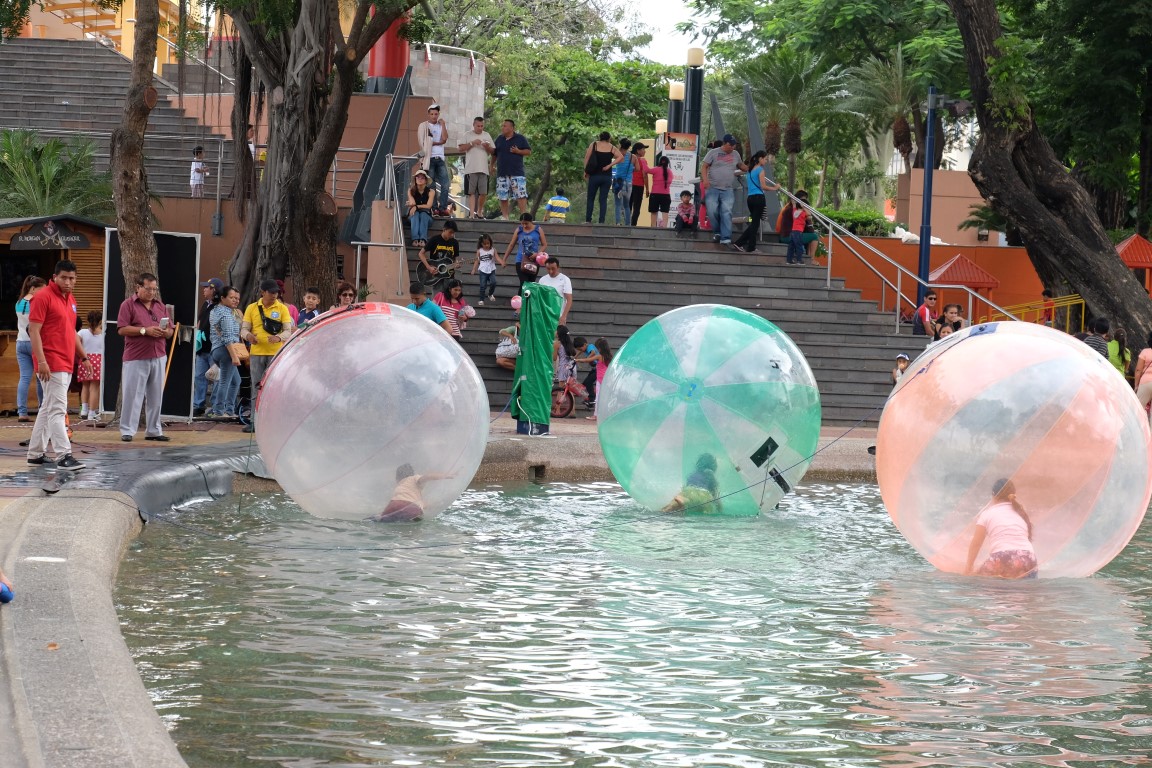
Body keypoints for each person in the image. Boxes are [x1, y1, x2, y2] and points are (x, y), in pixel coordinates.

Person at [26, 260, 88, 470]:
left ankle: (35, 454)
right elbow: (33, 330)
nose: (68, 282)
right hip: (51, 361)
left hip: (66, 360)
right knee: (57, 410)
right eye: (64, 278)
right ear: (54, 277)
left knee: (48, 408)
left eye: (72, 278)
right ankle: (63, 455)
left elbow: (71, 332)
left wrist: (84, 357)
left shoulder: (71, 299)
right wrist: (42, 361)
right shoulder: (42, 297)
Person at [117, 272, 175, 442]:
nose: (151, 293)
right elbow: (121, 329)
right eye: (148, 289)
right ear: (138, 287)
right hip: (136, 356)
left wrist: (165, 332)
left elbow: (170, 331)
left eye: (154, 289)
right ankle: (127, 430)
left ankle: (154, 430)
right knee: (132, 394)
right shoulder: (128, 305)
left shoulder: (160, 306)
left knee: (156, 395)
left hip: (159, 355)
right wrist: (144, 330)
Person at [242, 278, 294, 433]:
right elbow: (244, 329)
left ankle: (273, 421)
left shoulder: (282, 308)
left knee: (273, 388)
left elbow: (288, 331)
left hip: (275, 354)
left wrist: (278, 338)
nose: (274, 295)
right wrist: (249, 336)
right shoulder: (252, 308)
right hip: (256, 353)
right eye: (271, 292)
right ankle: (254, 421)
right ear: (262, 292)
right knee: (256, 387)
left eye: (276, 292)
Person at [965, 478, 1037, 578]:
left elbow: (976, 543)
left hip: (1002, 558)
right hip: (1029, 558)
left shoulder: (987, 513)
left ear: (993, 495)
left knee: (974, 580)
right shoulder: (1021, 512)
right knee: (1025, 587)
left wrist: (968, 567)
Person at [700, 134, 747, 246]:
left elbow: (741, 165)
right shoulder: (713, 152)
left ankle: (726, 237)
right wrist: (705, 180)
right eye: (731, 145)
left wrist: (750, 167)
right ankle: (717, 232)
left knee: (726, 212)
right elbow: (704, 166)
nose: (733, 147)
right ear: (725, 144)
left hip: (727, 189)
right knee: (712, 211)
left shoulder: (735, 154)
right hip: (712, 187)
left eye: (734, 145)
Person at [370, 464, 454, 522]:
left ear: (397, 478)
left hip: (393, 505)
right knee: (416, 524)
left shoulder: (400, 486)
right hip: (412, 509)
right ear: (411, 474)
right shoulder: (414, 478)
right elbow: (427, 477)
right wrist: (447, 475)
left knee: (381, 520)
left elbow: (401, 501)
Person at [734, 151, 780, 253]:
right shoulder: (760, 170)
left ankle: (747, 245)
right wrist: (775, 188)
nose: (766, 161)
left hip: (750, 199)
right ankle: (744, 245)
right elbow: (763, 186)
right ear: (760, 159)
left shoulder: (750, 170)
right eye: (765, 159)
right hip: (759, 198)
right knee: (754, 224)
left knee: (754, 223)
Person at [208, 286, 244, 418]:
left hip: (216, 350)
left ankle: (229, 410)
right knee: (225, 382)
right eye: (232, 297)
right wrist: (234, 356)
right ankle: (219, 411)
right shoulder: (226, 314)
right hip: (226, 351)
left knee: (236, 381)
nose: (235, 300)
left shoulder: (215, 310)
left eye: (237, 298)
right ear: (223, 298)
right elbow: (228, 338)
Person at [15, 275, 46, 422]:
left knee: (24, 378)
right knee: (40, 377)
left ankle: (22, 412)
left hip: (20, 342)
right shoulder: (36, 303)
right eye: (42, 289)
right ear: (33, 288)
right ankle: (42, 409)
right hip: (34, 343)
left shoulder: (19, 302)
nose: (44, 292)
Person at [193, 277, 223, 416]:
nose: (204, 290)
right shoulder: (205, 304)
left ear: (214, 290)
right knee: (199, 376)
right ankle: (198, 404)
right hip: (202, 348)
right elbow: (200, 321)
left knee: (216, 377)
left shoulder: (220, 307)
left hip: (214, 348)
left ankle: (215, 406)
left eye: (207, 287)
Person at [416, 103, 451, 215]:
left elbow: (444, 139)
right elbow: (423, 142)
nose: (434, 116)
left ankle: (443, 207)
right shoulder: (424, 126)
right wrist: (437, 142)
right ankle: (434, 208)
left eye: (436, 114)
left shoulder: (441, 125)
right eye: (432, 114)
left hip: (440, 157)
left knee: (445, 184)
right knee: (431, 184)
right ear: (428, 114)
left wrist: (443, 124)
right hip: (429, 158)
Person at [493, 118, 531, 219]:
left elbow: (528, 151)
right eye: (502, 126)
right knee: (502, 196)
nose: (502, 127)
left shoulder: (520, 138)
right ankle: (505, 217)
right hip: (502, 173)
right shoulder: (499, 139)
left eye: (505, 126)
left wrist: (518, 151)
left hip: (517, 173)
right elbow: (494, 154)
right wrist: (491, 165)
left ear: (511, 128)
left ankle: (523, 217)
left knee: (521, 196)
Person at [457, 115, 493, 218]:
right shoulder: (467, 134)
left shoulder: (487, 135)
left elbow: (493, 151)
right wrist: (472, 143)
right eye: (478, 126)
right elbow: (460, 148)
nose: (480, 128)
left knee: (483, 192)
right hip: (471, 168)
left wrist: (487, 147)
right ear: (473, 125)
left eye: (482, 126)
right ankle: (472, 214)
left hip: (483, 168)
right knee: (471, 192)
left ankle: (480, 211)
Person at [501, 213, 547, 292]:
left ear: (531, 221)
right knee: (524, 283)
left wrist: (537, 254)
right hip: (520, 260)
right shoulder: (519, 230)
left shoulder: (538, 229)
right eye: (522, 223)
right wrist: (504, 259)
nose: (524, 225)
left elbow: (544, 245)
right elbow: (511, 245)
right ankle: (520, 300)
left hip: (534, 261)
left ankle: (526, 300)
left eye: (526, 223)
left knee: (531, 284)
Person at [583, 132, 623, 223]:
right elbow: (621, 157)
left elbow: (587, 158)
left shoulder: (594, 145)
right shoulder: (612, 147)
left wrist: (586, 171)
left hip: (594, 175)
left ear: (600, 137)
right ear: (609, 138)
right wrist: (609, 165)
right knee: (603, 199)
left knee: (591, 198)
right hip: (606, 177)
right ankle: (601, 221)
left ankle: (588, 220)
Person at [76, 310, 103, 420]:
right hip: (98, 361)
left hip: (85, 359)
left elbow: (76, 344)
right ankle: (92, 413)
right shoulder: (103, 333)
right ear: (101, 321)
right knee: (94, 387)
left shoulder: (82, 332)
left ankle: (84, 410)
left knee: (85, 385)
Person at [579, 336, 612, 420]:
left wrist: (577, 360)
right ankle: (606, 415)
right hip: (607, 379)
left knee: (598, 398)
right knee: (605, 397)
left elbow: (588, 360)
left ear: (600, 348)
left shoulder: (600, 356)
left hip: (600, 380)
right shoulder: (609, 357)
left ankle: (596, 415)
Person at [537, 255, 573, 326]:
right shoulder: (542, 280)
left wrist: (563, 316)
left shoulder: (565, 279)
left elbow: (569, 300)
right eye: (548, 269)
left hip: (558, 316)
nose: (550, 271)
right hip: (545, 316)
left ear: (558, 267)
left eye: (553, 269)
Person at [433, 279, 471, 343]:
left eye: (459, 290)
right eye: (455, 290)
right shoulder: (440, 296)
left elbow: (464, 317)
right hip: (441, 331)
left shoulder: (461, 301)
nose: (457, 292)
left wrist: (465, 318)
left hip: (455, 334)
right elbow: (432, 309)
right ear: (450, 289)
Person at [407, 169, 434, 248]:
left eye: (422, 178)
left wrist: (416, 206)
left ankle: (423, 239)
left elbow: (428, 206)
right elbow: (412, 203)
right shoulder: (411, 190)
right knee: (415, 215)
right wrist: (412, 205)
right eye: (418, 177)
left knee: (423, 215)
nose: (420, 179)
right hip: (413, 216)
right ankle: (415, 239)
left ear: (426, 180)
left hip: (427, 216)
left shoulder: (431, 191)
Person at [646, 154, 675, 228]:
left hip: (654, 194)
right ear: (667, 163)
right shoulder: (669, 171)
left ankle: (653, 227)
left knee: (653, 212)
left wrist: (643, 161)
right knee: (665, 212)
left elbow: (647, 170)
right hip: (666, 195)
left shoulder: (656, 169)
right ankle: (664, 227)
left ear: (659, 162)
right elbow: (670, 181)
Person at [785, 189, 812, 264]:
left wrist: (791, 196)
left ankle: (789, 260)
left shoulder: (794, 211)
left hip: (793, 231)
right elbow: (809, 215)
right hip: (798, 232)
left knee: (791, 246)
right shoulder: (803, 213)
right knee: (799, 246)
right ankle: (799, 260)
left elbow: (793, 203)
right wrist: (804, 207)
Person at [471, 233, 498, 305]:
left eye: (488, 243)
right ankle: (481, 299)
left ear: (490, 242)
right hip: (483, 270)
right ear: (481, 244)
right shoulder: (479, 251)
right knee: (483, 285)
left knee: (493, 282)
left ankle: (490, 294)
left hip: (491, 269)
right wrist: (474, 269)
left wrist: (501, 262)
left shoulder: (493, 250)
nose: (486, 245)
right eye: (484, 244)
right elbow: (476, 260)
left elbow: (497, 258)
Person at [628, 142, 651, 227]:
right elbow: (645, 175)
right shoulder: (642, 160)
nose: (645, 151)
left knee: (628, 205)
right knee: (637, 207)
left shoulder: (629, 159)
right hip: (638, 186)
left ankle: (626, 224)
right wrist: (647, 189)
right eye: (643, 149)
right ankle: (633, 225)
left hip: (629, 185)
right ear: (638, 151)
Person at [612, 137, 634, 225]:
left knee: (617, 204)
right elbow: (637, 168)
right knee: (626, 205)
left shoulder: (617, 155)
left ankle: (618, 222)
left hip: (618, 182)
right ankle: (628, 224)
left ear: (620, 145)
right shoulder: (632, 156)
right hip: (628, 183)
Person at [1133, 331, 1152, 424]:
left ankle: (1135, 429)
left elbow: (1138, 370)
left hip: (1146, 383)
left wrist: (1136, 385)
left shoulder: (1145, 352)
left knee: (1138, 409)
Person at [573, 336, 598, 407]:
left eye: (580, 348)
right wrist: (575, 357)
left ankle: (592, 399)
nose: (581, 350)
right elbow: (580, 351)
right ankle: (591, 396)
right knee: (585, 383)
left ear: (585, 344)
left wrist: (586, 359)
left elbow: (593, 353)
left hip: (599, 369)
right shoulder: (585, 348)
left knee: (588, 382)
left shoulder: (590, 346)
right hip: (594, 368)